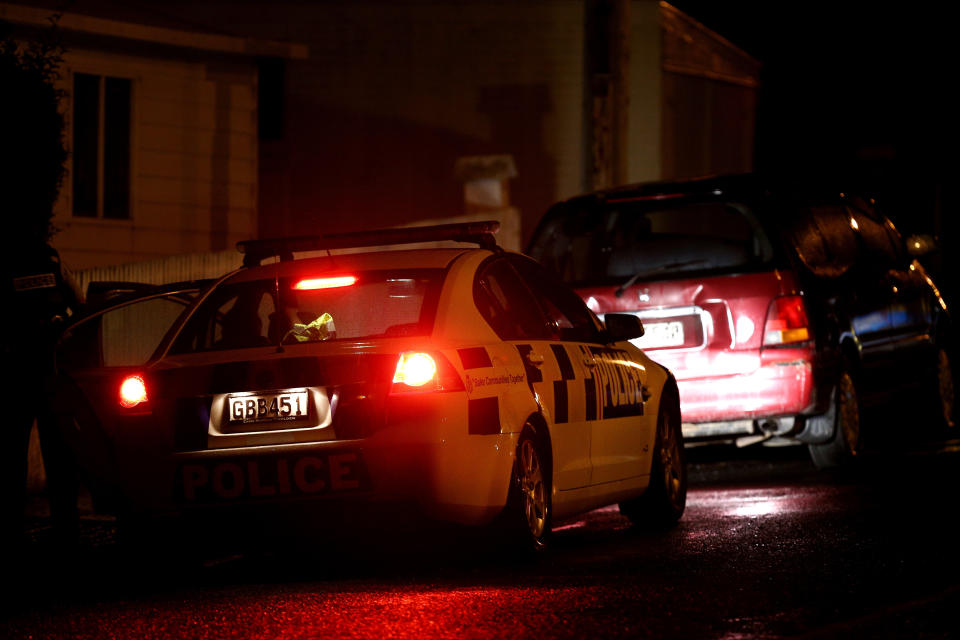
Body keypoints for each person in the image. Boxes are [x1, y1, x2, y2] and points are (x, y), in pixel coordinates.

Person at [1, 241, 84, 549]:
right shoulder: (51, 261)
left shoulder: (6, 266)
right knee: (59, 455)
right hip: (50, 372)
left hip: (16, 377)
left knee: (12, 458)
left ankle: (12, 530)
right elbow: (80, 307)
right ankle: (67, 528)